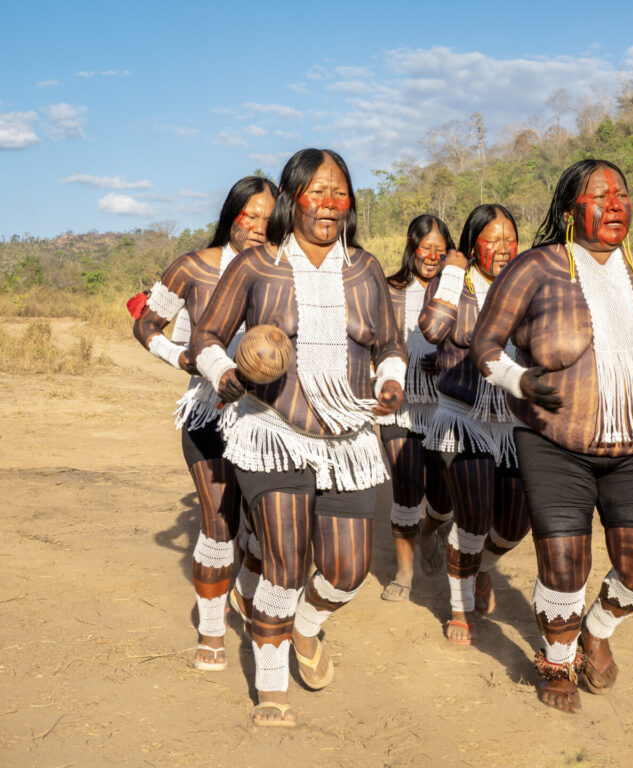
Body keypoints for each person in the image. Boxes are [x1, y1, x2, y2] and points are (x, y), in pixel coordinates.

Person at [470, 159, 633, 713]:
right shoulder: (535, 269)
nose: (615, 205)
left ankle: (597, 629)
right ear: (569, 211)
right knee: (564, 566)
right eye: (600, 196)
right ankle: (557, 663)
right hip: (554, 443)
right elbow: (485, 345)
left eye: (622, 195)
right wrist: (518, 380)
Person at [190, 148, 407, 727]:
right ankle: (271, 688)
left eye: (340, 193)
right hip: (273, 430)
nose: (330, 203)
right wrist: (225, 372)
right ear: (292, 199)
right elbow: (205, 337)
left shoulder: (365, 268)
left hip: (349, 438)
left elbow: (390, 344)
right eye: (317, 192)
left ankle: (306, 627)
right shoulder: (256, 265)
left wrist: (390, 380)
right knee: (285, 563)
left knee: (348, 571)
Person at [132, 176, 277, 671]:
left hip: (272, 419)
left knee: (266, 528)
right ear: (231, 214)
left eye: (268, 219)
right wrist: (181, 357)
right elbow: (146, 323)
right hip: (208, 411)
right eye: (249, 216)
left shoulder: (283, 269)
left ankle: (246, 590)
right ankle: (211, 628)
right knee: (219, 525)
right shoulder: (192, 267)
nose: (258, 227)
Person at [419, 204, 530, 646]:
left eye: (510, 240)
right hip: (462, 418)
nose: (503, 249)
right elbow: (433, 330)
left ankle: (482, 567)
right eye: (493, 240)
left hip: (513, 423)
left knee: (515, 525)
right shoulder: (453, 285)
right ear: (471, 245)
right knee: (474, 519)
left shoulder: (524, 284)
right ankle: (460, 607)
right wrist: (452, 270)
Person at [377, 215, 454, 601]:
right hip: (400, 407)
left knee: (444, 498)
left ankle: (429, 531)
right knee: (406, 488)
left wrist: (448, 362)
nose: (433, 256)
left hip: (445, 408)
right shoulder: (388, 290)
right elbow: (374, 339)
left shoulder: (456, 292)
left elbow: (473, 339)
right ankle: (404, 572)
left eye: (441, 250)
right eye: (427, 248)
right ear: (412, 246)